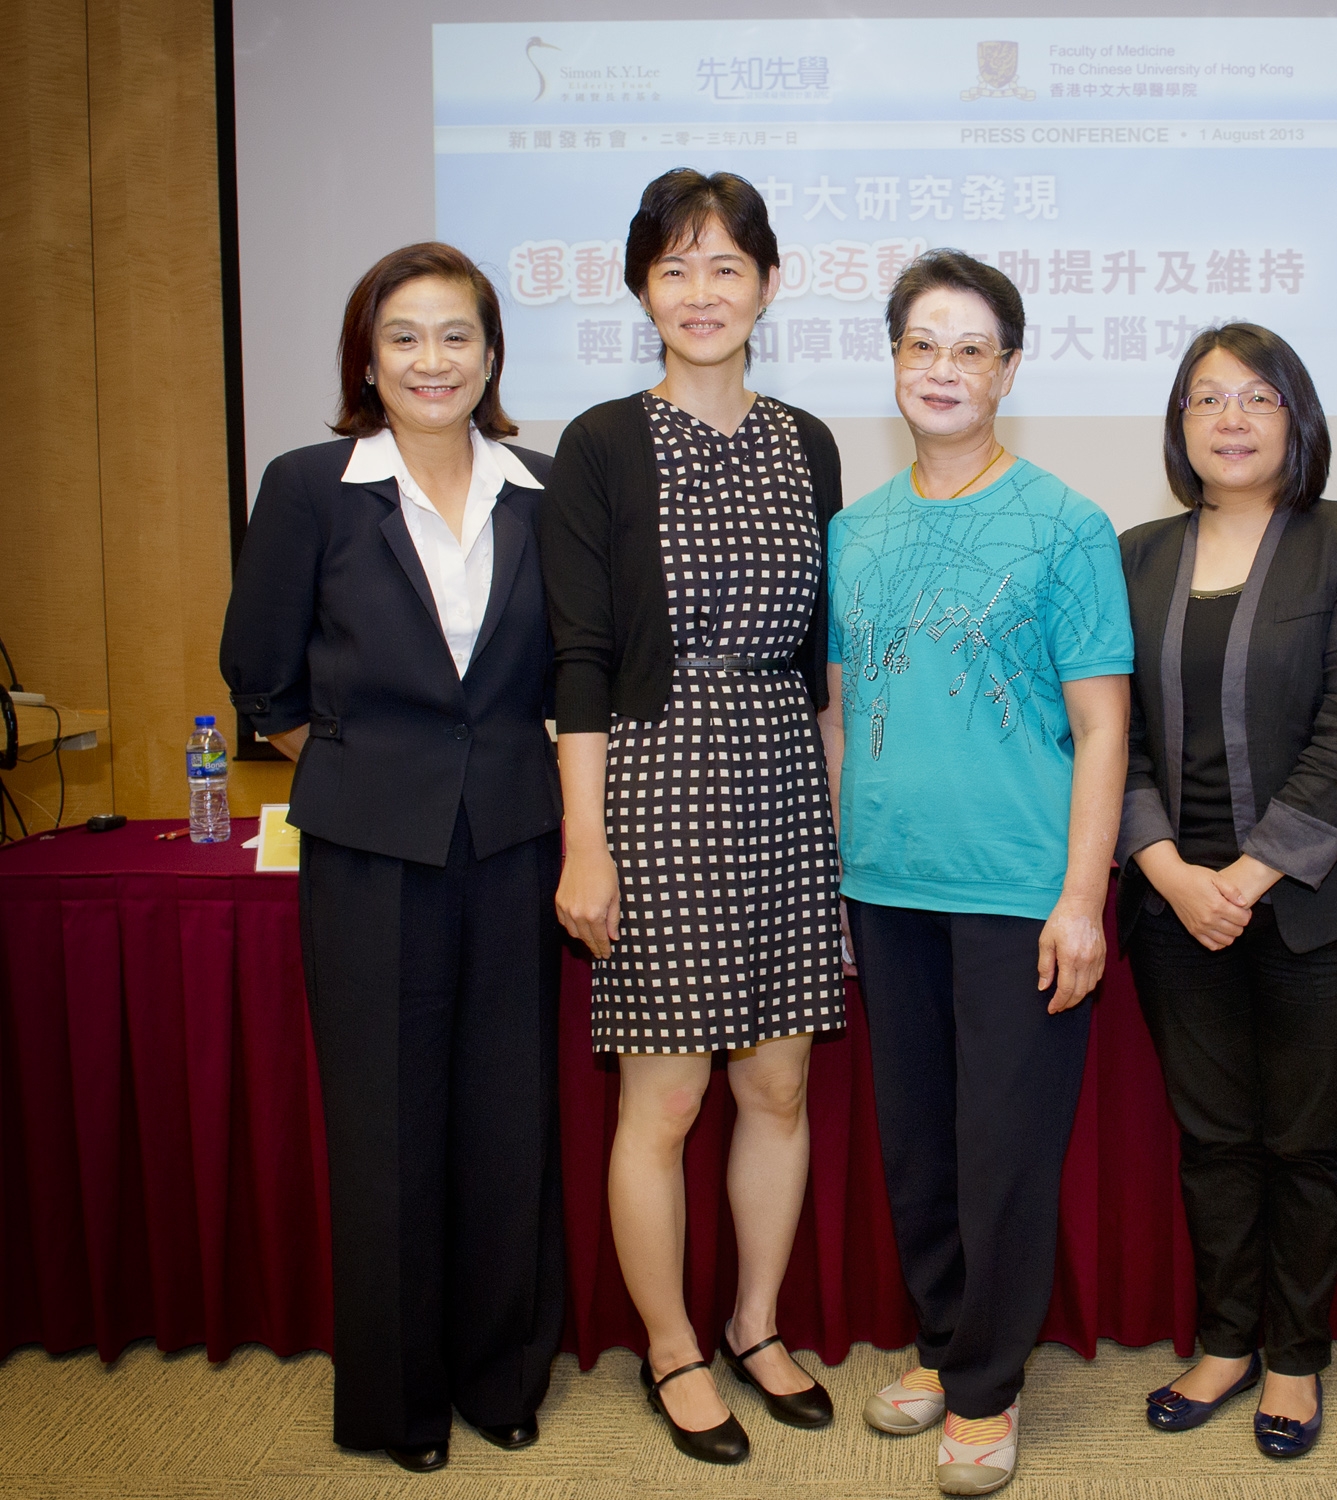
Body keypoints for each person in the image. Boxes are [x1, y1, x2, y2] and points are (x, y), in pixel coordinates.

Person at [220, 243, 564, 1473]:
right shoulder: (312, 485)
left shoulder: (544, 484)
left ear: (491, 354)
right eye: (406, 337)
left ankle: (501, 1378)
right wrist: (368, 767)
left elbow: (567, 673)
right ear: (368, 357)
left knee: (508, 1119)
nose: (434, 360)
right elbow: (259, 673)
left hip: (519, 841)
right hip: (371, 852)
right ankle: (398, 1404)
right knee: (387, 1128)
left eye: (457, 335)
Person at [538, 169, 843, 1466]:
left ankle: (755, 1324)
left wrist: (837, 836)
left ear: (767, 284)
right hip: (652, 783)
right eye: (675, 268)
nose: (701, 291)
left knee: (776, 1085)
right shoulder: (602, 444)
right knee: (661, 1103)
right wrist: (584, 843)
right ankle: (671, 1346)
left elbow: (825, 666)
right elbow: (579, 663)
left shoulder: (808, 441)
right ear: (640, 291)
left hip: (781, 776)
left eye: (726, 266)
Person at [831, 250, 1132, 1496]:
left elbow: (1105, 726)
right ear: (893, 362)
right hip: (886, 885)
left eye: (970, 349)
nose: (943, 370)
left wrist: (1082, 896)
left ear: (1010, 367)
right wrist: (842, 876)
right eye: (921, 346)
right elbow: (843, 714)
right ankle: (949, 1343)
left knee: (1004, 1145)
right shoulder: (855, 529)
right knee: (920, 1143)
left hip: (1017, 886)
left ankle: (988, 1387)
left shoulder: (1066, 524)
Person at [1117, 324, 1337, 1460]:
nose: (1231, 419)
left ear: (1297, 417)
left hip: (1322, 899)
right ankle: (1226, 1341)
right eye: (1206, 399)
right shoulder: (1135, 555)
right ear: (1180, 424)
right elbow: (1111, 734)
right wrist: (1165, 868)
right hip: (1172, 899)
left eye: (1257, 397)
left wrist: (1242, 878)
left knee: (1306, 1139)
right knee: (1212, 1139)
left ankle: (1295, 1356)